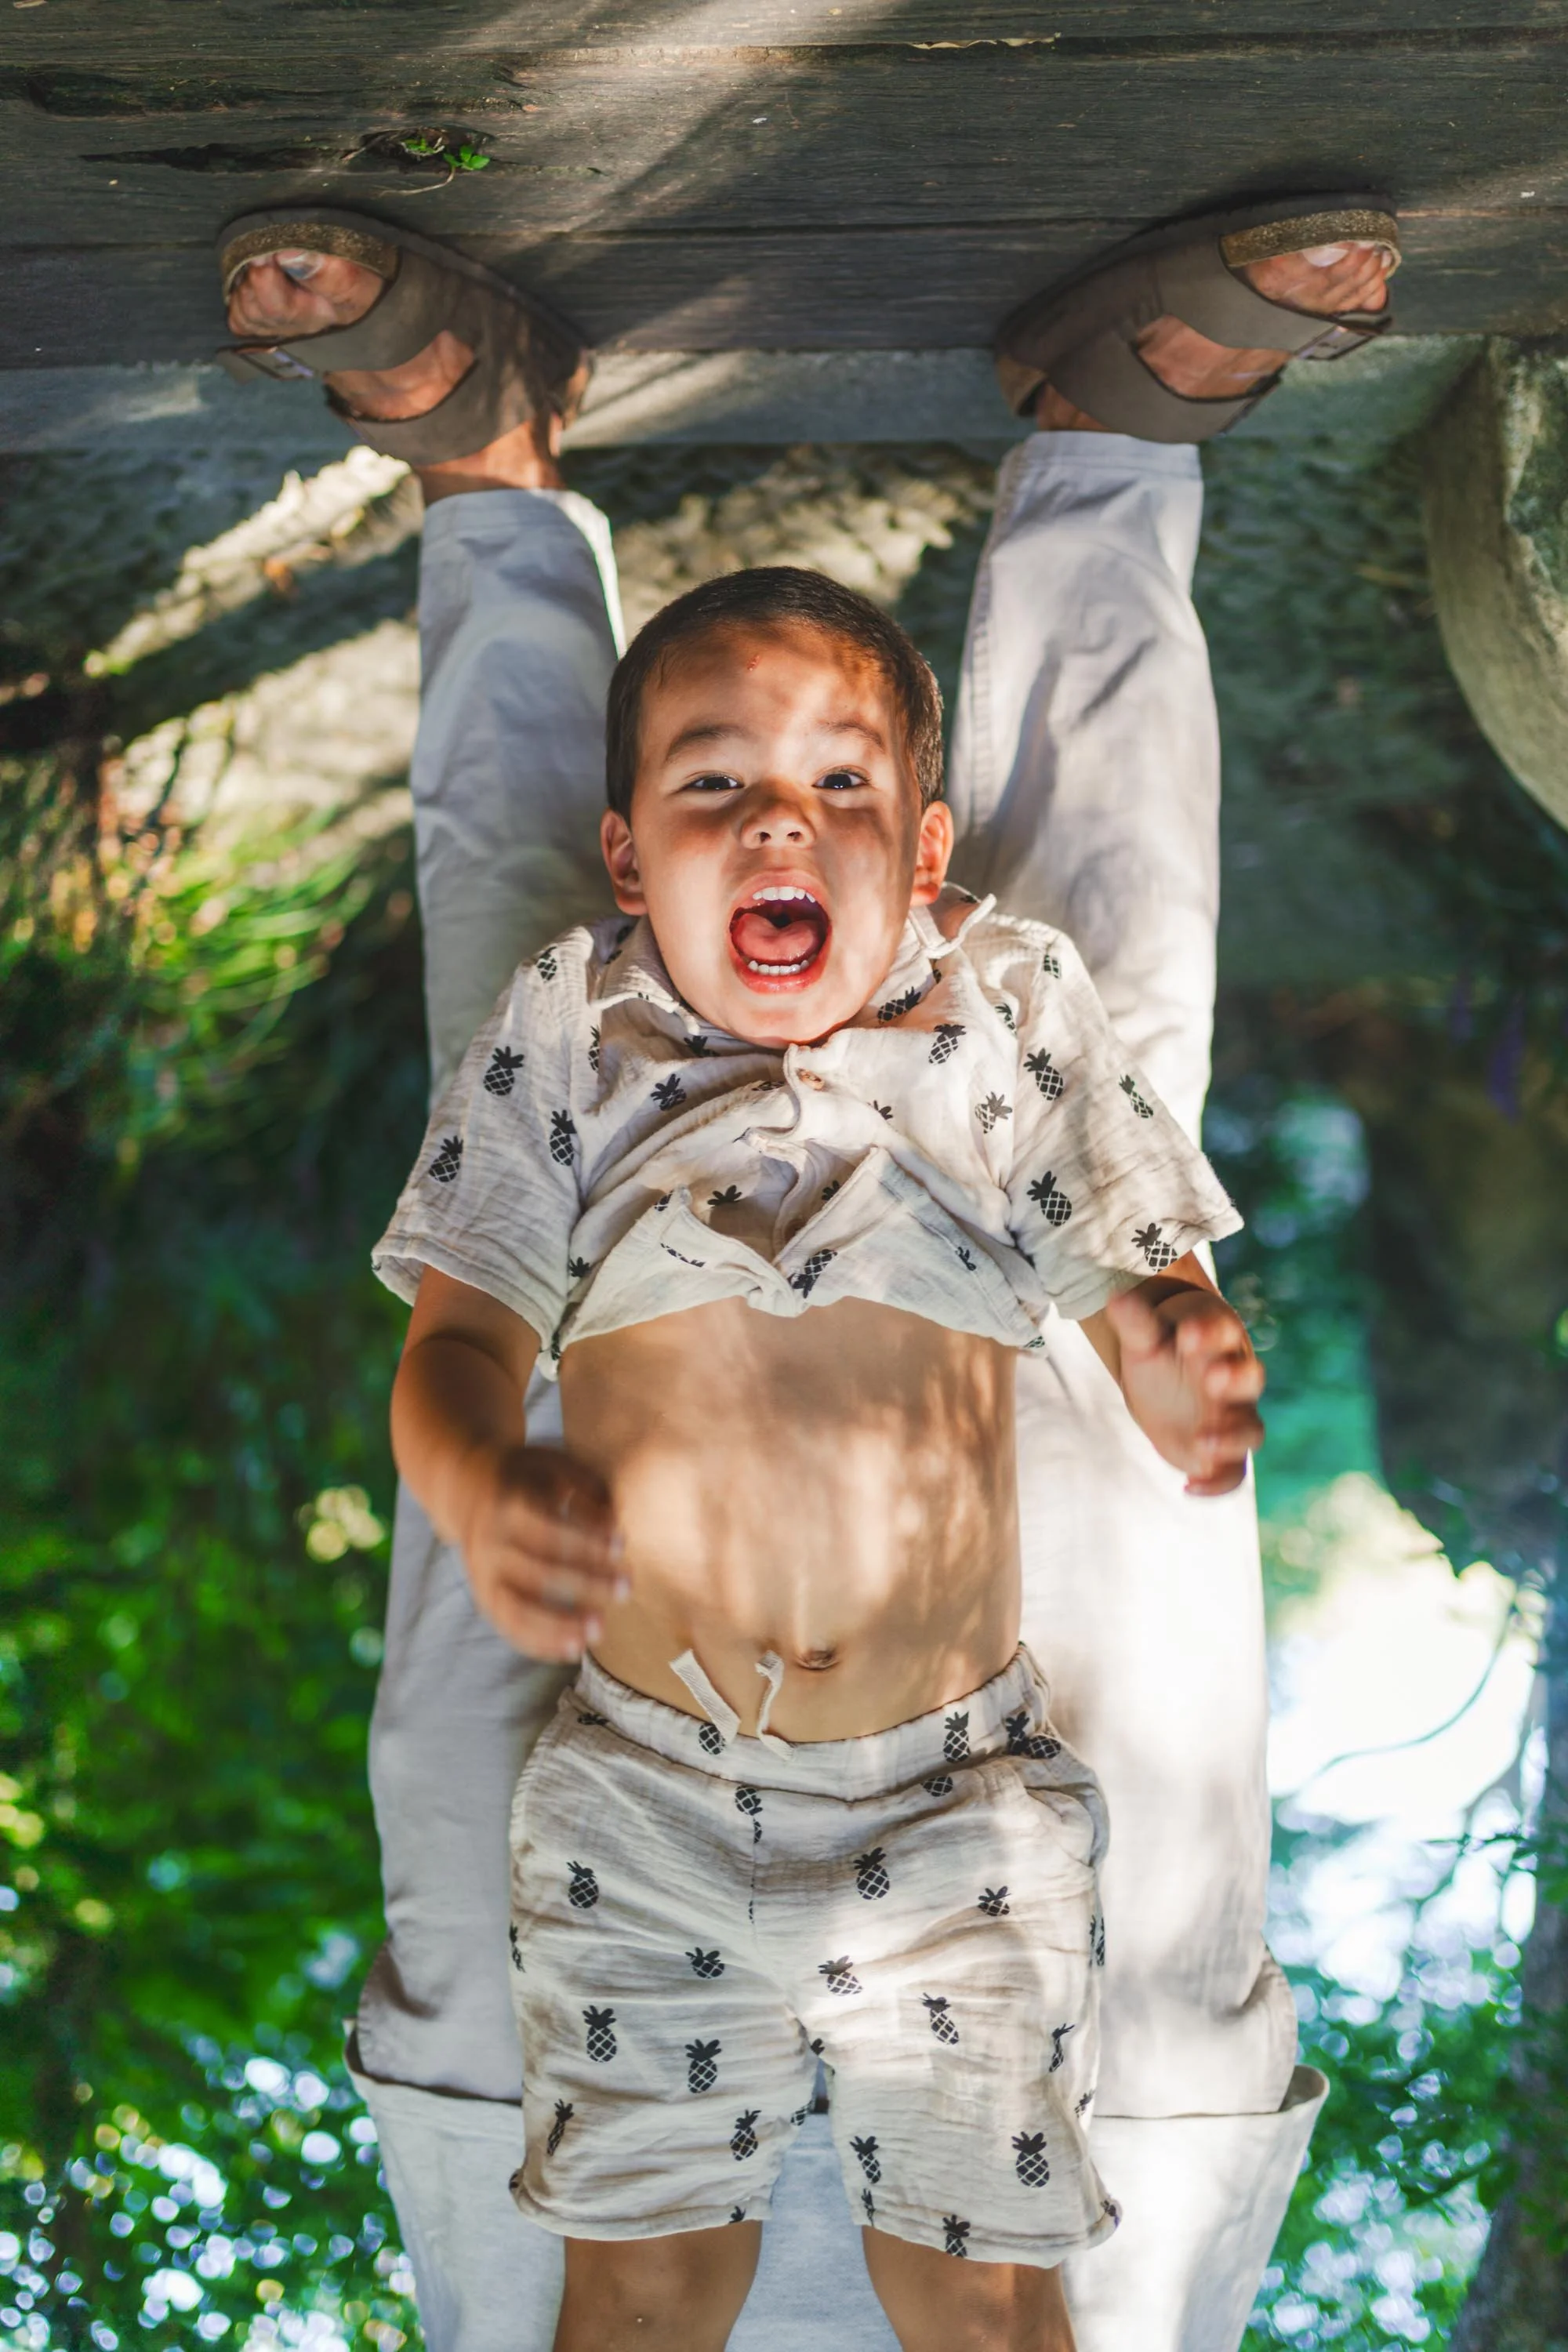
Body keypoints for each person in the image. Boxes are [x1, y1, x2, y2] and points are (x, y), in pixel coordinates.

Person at [216, 192, 1398, 2351]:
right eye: (742, 786)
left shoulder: (795, 990)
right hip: (935, 1837)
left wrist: (489, 1487)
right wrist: (1160, 1340)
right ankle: (1114, 462)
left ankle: (488, 492)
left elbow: (478, 1344)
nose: (787, 825)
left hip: (667, 1791)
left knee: (608, 997)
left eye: (838, 790)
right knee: (1049, 1028)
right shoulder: (630, 1010)